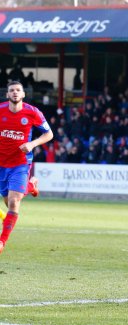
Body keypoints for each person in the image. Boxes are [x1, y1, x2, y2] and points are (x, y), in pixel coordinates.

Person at [0, 81, 53, 254]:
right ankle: (30, 186)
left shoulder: (32, 112)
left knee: (14, 202)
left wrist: (32, 144)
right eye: (11, 91)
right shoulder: (0, 110)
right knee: (8, 202)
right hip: (1, 164)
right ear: (7, 95)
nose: (15, 93)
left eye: (18, 90)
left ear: (23, 94)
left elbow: (49, 134)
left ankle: (2, 242)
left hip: (20, 164)